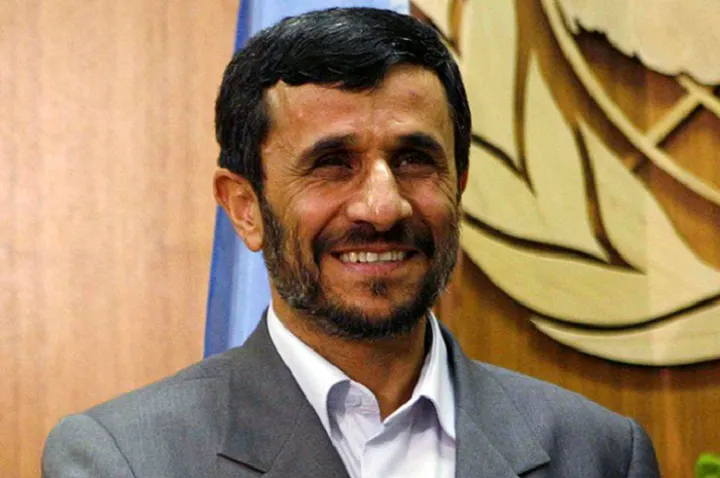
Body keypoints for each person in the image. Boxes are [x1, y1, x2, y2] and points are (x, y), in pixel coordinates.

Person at [42, 7, 660, 478]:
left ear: (460, 184)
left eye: (414, 160)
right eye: (332, 164)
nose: (382, 207)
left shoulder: (599, 453)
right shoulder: (126, 460)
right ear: (245, 208)